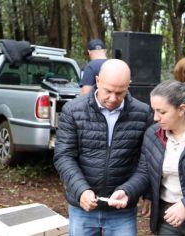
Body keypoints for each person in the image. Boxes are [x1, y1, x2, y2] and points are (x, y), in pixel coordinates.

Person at [108, 80, 185, 236]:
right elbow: (144, 172)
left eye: (162, 112)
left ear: (181, 109)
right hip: (167, 217)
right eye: (154, 111)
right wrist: (127, 191)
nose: (155, 118)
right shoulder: (153, 135)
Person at [54, 59, 153, 236]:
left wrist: (130, 190)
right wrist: (81, 189)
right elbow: (64, 156)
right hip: (82, 207)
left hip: (122, 210)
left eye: (120, 92)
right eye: (108, 91)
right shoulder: (73, 110)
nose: (113, 98)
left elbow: (146, 163)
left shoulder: (143, 113)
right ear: (98, 81)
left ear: (128, 85)